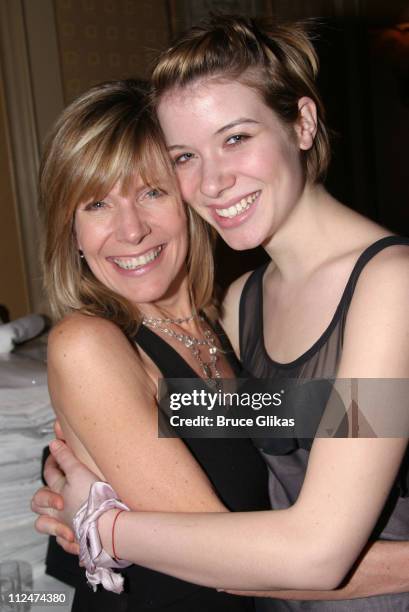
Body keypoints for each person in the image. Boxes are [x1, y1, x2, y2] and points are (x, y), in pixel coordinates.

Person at [33, 14, 409, 611]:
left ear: (303, 123)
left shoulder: (368, 287)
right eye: (184, 156)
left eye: (236, 137)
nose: (213, 180)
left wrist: (100, 523)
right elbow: (305, 432)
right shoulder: (243, 305)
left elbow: (313, 504)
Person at [35, 77, 273, 611]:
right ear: (70, 230)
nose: (131, 229)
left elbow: (335, 416)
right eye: (96, 204)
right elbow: (237, 562)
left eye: (151, 191)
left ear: (189, 197)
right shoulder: (89, 343)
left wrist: (100, 522)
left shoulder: (229, 318)